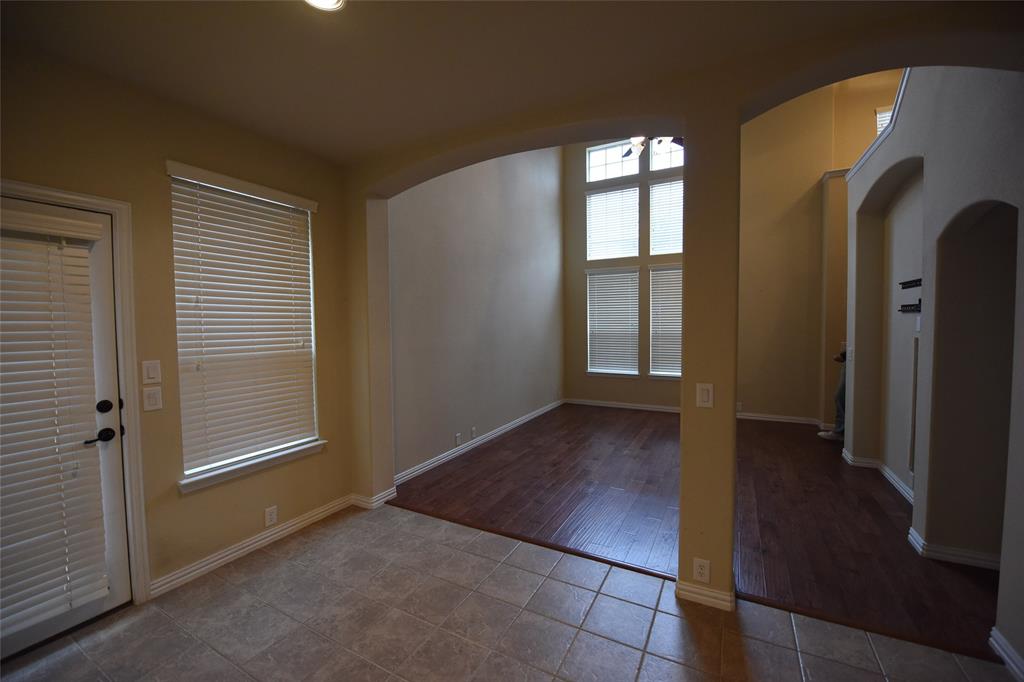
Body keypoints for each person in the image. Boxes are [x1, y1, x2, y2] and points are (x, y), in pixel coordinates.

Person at [818, 348, 846, 442]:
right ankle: (841, 431)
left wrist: (843, 356)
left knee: (840, 397)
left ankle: (839, 432)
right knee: (841, 397)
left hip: (850, 360)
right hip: (849, 361)